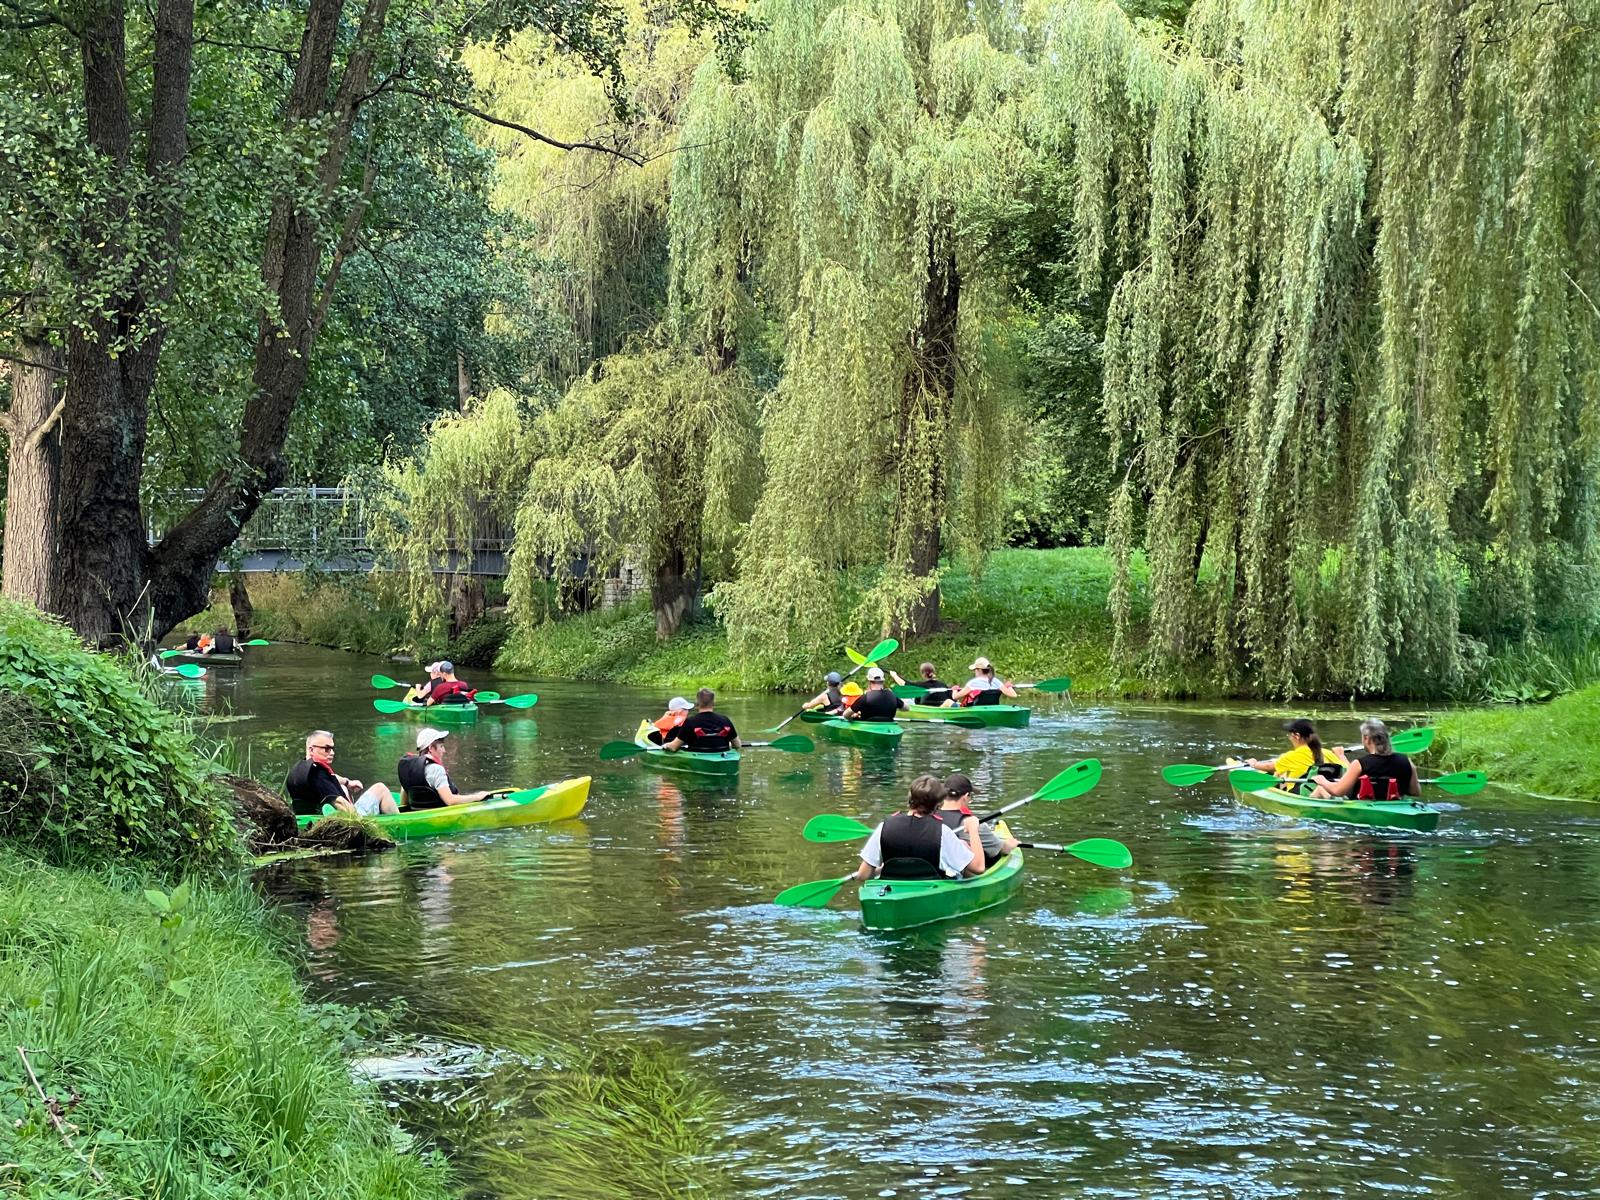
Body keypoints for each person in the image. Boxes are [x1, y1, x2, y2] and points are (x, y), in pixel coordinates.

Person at [849, 774, 985, 882]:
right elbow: (979, 868)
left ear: (910, 797)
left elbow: (863, 875)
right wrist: (973, 829)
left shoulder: (884, 826)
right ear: (938, 803)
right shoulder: (942, 832)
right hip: (929, 891)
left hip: (892, 890)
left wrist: (880, 869)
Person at [284, 730, 399, 817]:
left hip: (308, 815)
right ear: (311, 749)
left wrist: (347, 782)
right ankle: (400, 822)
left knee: (343, 788)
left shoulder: (299, 769)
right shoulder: (317, 775)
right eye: (327, 749)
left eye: (332, 748)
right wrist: (362, 820)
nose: (332, 753)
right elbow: (341, 805)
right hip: (345, 820)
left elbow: (330, 778)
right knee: (380, 788)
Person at [1311, 719, 1421, 801]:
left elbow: (1338, 791)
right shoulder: (1407, 762)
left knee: (1321, 788)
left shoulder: (1360, 764)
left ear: (1366, 738)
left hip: (1364, 808)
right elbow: (1415, 792)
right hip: (1394, 806)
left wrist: (1323, 781)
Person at [397, 729, 498, 808]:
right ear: (431, 748)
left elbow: (404, 803)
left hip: (417, 811)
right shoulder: (436, 769)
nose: (444, 751)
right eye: (441, 746)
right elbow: (450, 801)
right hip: (439, 813)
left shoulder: (408, 768)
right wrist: (477, 797)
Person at [938, 772, 1019, 870]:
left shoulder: (927, 818)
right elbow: (1003, 849)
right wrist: (1011, 845)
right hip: (959, 874)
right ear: (965, 796)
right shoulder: (975, 826)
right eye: (970, 797)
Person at [1247, 718, 1346, 785]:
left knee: (1280, 773)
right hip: (1320, 789)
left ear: (1297, 736)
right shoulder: (1326, 752)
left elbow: (1269, 767)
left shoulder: (1291, 756)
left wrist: (1254, 764)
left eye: (1290, 735)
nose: (1289, 738)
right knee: (1283, 770)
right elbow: (1348, 771)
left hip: (1298, 792)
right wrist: (1341, 756)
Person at [662, 688, 741, 753]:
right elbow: (737, 745)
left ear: (697, 703)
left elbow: (674, 747)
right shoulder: (725, 720)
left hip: (698, 758)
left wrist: (666, 745)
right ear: (714, 702)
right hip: (722, 757)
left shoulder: (690, 722)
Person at [954, 657, 1018, 706]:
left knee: (948, 702)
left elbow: (955, 697)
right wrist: (1009, 687)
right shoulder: (996, 681)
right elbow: (1014, 695)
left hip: (977, 709)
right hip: (993, 708)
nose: (974, 671)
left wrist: (954, 690)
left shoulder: (972, 683)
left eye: (975, 670)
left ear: (979, 670)